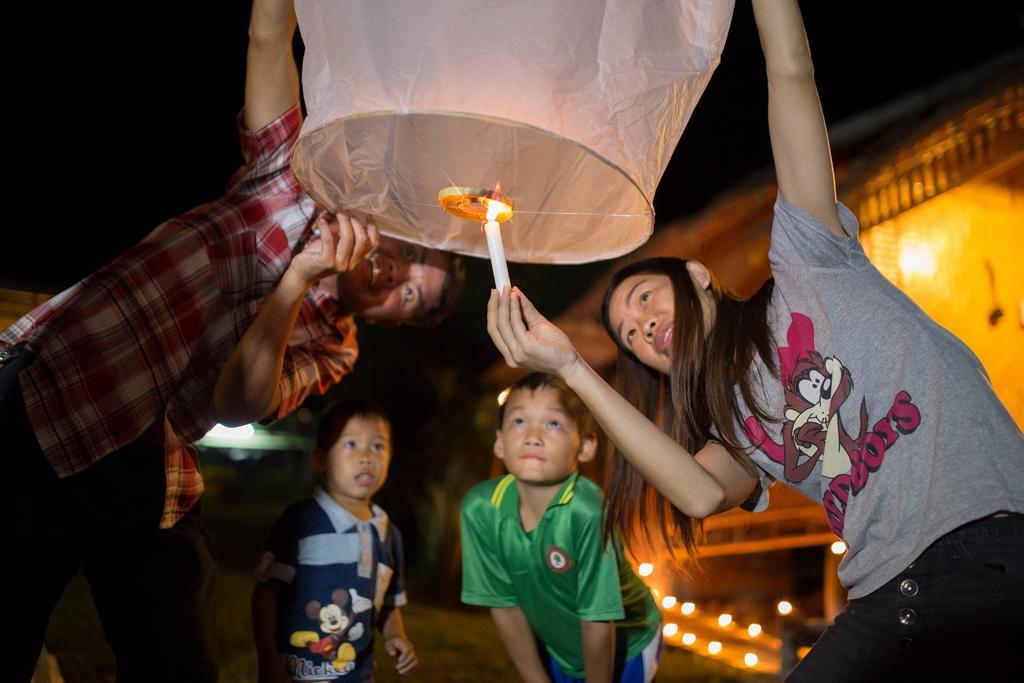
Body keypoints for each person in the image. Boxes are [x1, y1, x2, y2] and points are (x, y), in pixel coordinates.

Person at [487, 0, 1023, 680]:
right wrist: (570, 366)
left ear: (698, 275)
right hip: (886, 596)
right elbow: (698, 492)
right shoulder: (739, 427)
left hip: (992, 543)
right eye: (631, 334)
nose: (644, 326)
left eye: (646, 299)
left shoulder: (808, 262)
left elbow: (792, 74)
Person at [0, 0, 463, 680]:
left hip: (151, 460)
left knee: (179, 660)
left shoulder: (337, 345)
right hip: (56, 391)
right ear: (392, 229)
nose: (395, 276)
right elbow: (269, 30)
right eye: (408, 257)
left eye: (410, 295)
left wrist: (296, 281)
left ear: (393, 318)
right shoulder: (295, 177)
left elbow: (240, 403)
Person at [461, 372, 662, 683]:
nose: (533, 435)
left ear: (585, 445)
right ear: (499, 442)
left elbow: (597, 620)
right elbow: (504, 606)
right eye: (518, 422)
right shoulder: (481, 508)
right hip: (560, 646)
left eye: (553, 423)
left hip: (628, 643)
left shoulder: (587, 512)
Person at [252, 398, 415, 682]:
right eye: (351, 444)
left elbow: (387, 603)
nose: (366, 456)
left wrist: (396, 636)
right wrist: (268, 661)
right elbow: (267, 594)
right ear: (321, 459)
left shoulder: (388, 534)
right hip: (295, 673)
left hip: (357, 675)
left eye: (377, 446)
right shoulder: (302, 520)